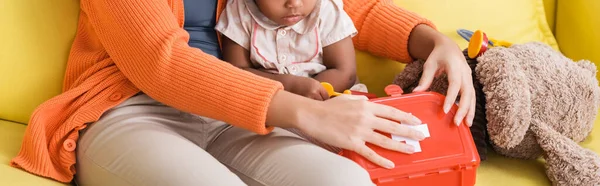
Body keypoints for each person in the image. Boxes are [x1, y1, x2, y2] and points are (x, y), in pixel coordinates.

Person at [10, 0, 475, 185]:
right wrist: (304, 112)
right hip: (131, 109)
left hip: (240, 113)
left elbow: (343, 7)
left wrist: (434, 43)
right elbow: (160, 63)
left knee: (344, 183)